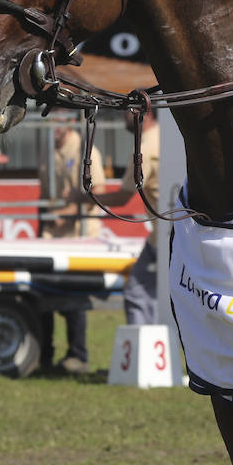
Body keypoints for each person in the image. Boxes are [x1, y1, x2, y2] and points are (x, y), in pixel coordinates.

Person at [39, 121, 107, 373]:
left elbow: (97, 192)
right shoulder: (47, 152)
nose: (53, 128)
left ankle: (77, 355)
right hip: (52, 238)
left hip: (79, 239)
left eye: (58, 122)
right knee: (41, 294)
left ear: (69, 123)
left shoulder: (85, 151)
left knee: (73, 298)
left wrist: (65, 214)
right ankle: (44, 353)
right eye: (50, 122)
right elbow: (45, 194)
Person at [92, 113, 160, 326]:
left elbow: (122, 198)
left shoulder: (144, 149)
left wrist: (88, 196)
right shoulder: (163, 137)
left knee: (137, 293)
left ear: (146, 114)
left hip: (161, 240)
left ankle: (144, 347)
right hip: (164, 237)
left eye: (128, 112)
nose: (123, 117)